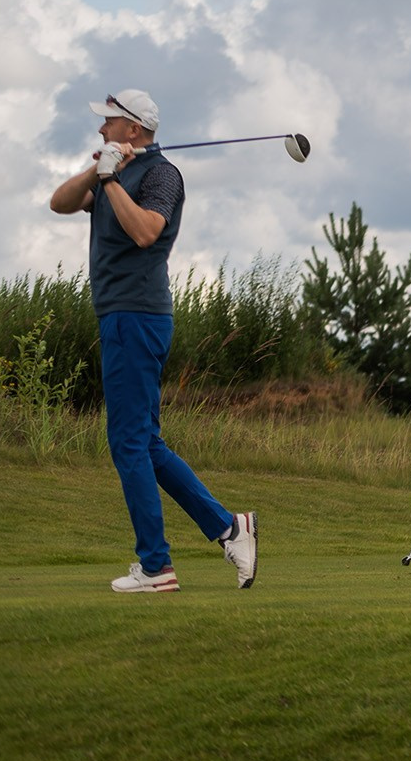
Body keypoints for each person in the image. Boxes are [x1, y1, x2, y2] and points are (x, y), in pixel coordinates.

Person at [48, 89, 258, 594]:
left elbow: (145, 231)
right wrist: (99, 170)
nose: (101, 129)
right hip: (121, 315)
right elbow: (59, 203)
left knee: (127, 442)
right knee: (144, 442)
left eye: (109, 122)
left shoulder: (162, 175)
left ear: (134, 129)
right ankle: (229, 528)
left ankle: (157, 566)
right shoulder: (115, 170)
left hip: (136, 315)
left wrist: (110, 181)